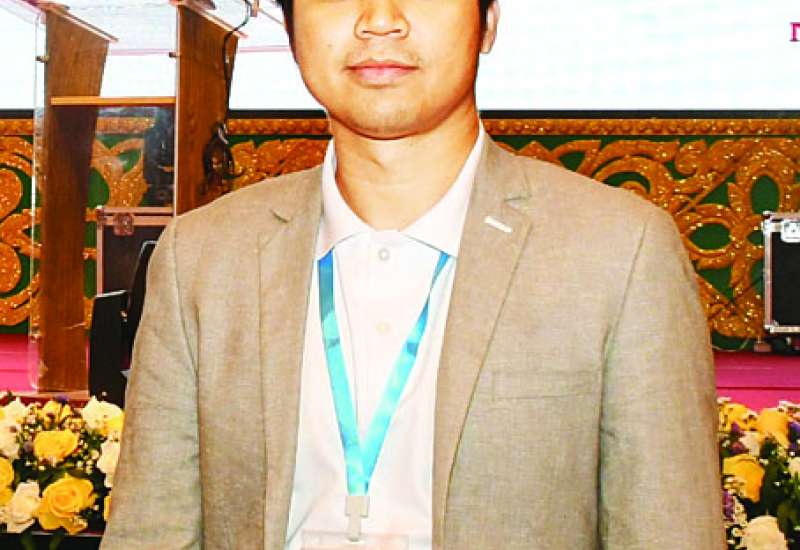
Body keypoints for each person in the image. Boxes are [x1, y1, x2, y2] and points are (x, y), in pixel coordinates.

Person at [101, 1, 725, 548]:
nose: (380, 20)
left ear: (487, 22)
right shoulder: (202, 259)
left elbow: (667, 529)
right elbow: (152, 531)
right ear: (289, 29)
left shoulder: (618, 251)